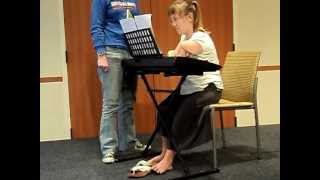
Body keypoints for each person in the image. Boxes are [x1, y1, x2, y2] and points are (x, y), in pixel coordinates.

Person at [147, 0, 224, 174]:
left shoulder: (201, 37)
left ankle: (169, 158)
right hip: (191, 87)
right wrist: (177, 48)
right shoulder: (184, 38)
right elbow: (177, 57)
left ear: (189, 17)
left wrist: (180, 47)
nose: (173, 24)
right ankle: (164, 152)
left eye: (175, 19)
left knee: (181, 115)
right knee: (164, 108)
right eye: (171, 20)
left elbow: (186, 50)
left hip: (209, 89)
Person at [90, 0, 148, 164]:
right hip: (111, 51)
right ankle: (108, 149)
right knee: (111, 103)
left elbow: (138, 25)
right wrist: (101, 54)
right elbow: (96, 25)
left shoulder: (134, 1)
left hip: (131, 53)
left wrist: (144, 50)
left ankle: (128, 143)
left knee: (128, 102)